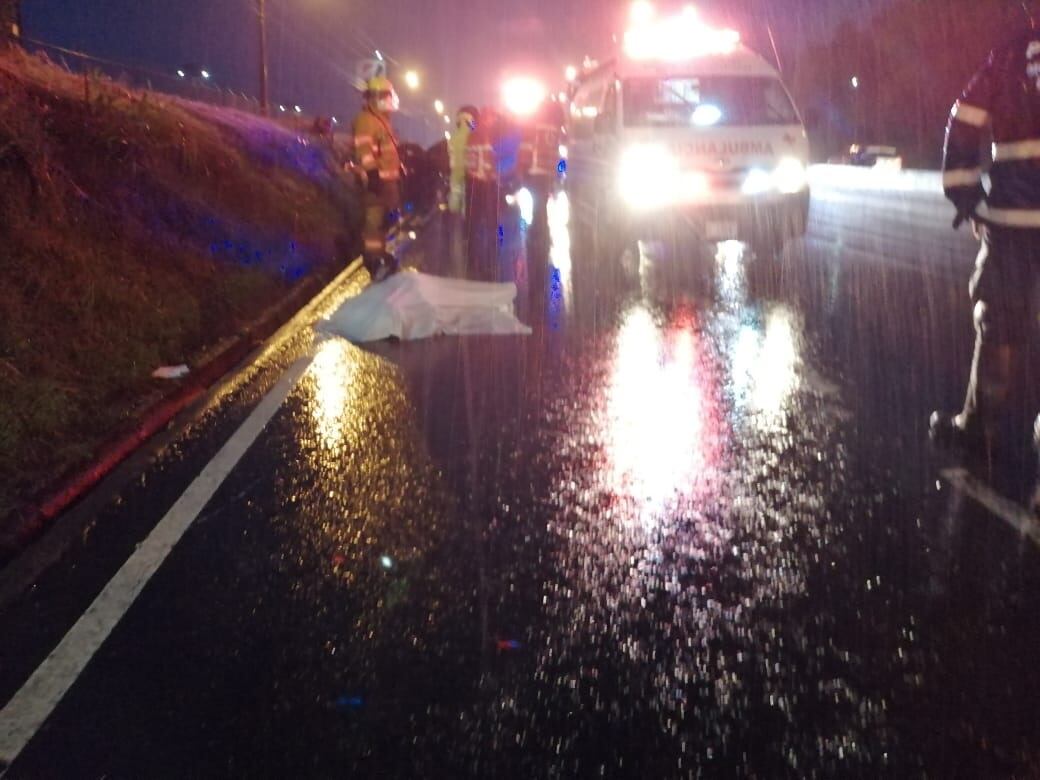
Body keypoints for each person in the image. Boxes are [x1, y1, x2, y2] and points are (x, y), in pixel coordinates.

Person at [930, 24, 1040, 451]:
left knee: (1000, 325)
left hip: (1012, 221)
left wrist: (967, 197)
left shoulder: (1008, 56)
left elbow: (964, 118)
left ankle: (977, 431)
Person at [352, 75, 403, 282]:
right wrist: (372, 175)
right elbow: (364, 151)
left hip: (387, 182)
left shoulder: (380, 121)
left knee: (384, 222)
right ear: (377, 97)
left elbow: (386, 152)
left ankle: (381, 255)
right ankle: (373, 261)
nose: (389, 101)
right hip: (377, 182)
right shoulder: (367, 121)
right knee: (374, 223)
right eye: (386, 96)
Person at [449, 106, 478, 216]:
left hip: (455, 171)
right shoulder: (472, 137)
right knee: (468, 201)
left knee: (455, 194)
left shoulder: (453, 138)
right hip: (469, 172)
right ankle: (466, 219)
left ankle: (454, 215)